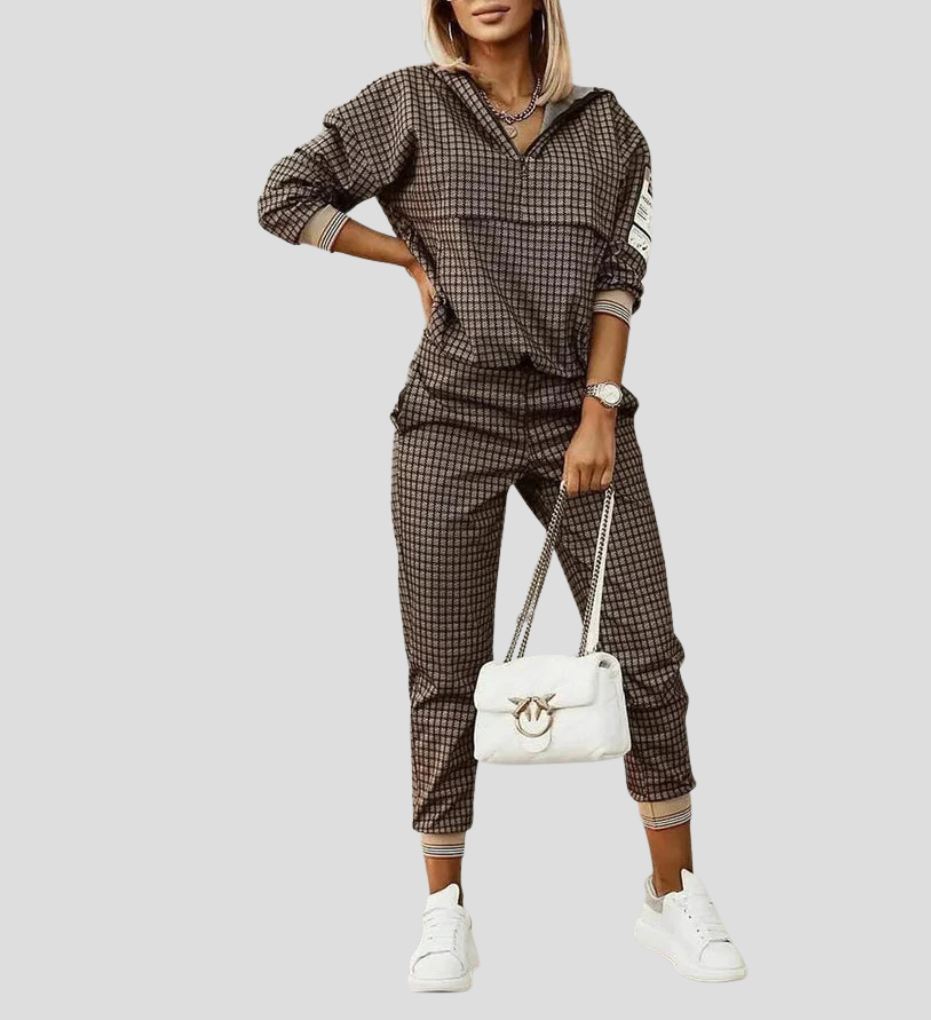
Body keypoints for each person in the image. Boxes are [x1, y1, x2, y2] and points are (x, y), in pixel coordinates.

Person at [257, 0, 746, 991]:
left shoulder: (610, 129)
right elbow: (283, 195)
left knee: (648, 654)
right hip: (449, 418)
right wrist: (404, 255)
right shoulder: (408, 106)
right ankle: (445, 911)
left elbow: (620, 278)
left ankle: (673, 892)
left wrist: (600, 409)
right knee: (445, 667)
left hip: (579, 412)